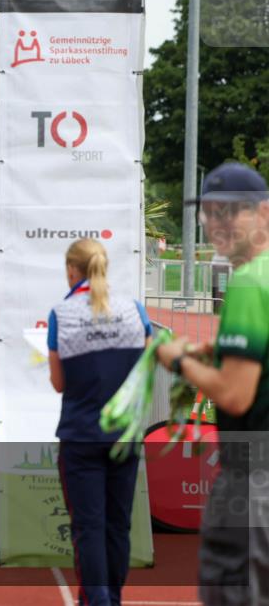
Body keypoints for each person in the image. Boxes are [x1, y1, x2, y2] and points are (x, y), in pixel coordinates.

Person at [155, 162, 268, 606]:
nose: (217, 223)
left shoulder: (248, 282)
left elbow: (235, 395)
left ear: (263, 213)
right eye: (209, 212)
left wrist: (178, 358)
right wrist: (219, 356)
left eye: (230, 212)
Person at [47, 237, 152, 606]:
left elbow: (59, 383)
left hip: (81, 434)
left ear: (72, 270)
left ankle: (99, 600)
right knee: (117, 526)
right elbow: (147, 366)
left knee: (88, 527)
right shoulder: (134, 310)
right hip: (125, 435)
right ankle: (113, 598)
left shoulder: (63, 313)